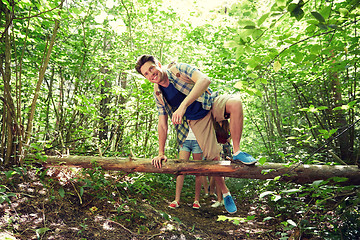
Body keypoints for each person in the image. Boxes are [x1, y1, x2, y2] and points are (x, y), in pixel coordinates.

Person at [135, 55, 257, 214]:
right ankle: (226, 193)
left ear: (158, 64)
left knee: (236, 103)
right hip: (197, 120)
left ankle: (237, 151)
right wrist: (160, 152)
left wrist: (183, 106)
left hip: (210, 103)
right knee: (213, 157)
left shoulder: (178, 69)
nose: (151, 74)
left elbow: (205, 80)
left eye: (151, 68)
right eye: (146, 74)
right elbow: (162, 124)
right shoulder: (158, 93)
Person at [168, 128, 206, 209]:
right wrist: (180, 139)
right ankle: (176, 200)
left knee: (198, 171)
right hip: (185, 140)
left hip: (198, 140)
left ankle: (196, 201)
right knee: (181, 170)